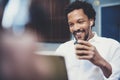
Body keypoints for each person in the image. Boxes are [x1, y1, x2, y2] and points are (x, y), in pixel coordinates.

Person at [56, 1, 120, 80]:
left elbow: (114, 77)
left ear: (91, 21)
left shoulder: (112, 46)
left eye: (80, 22)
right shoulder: (62, 49)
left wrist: (100, 61)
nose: (76, 28)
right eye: (71, 24)